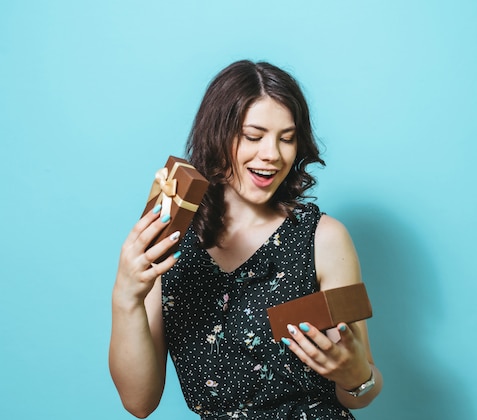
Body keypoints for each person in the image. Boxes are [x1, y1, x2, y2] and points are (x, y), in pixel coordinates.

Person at [109, 60, 383, 419]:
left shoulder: (324, 238)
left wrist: (355, 375)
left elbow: (363, 389)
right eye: (253, 136)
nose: (272, 154)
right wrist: (125, 296)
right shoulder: (168, 239)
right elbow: (139, 403)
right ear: (216, 135)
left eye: (287, 138)